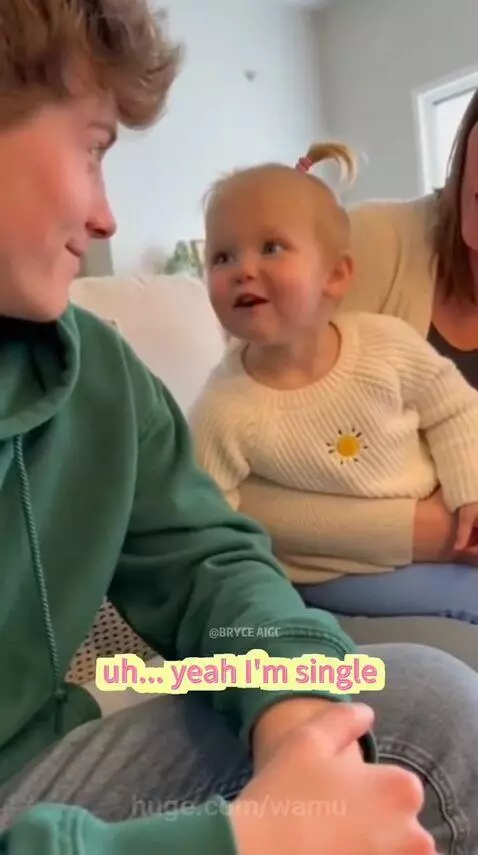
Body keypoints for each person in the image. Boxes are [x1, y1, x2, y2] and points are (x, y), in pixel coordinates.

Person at [0, 2, 476, 854]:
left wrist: (298, 717)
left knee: (433, 702)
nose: (110, 219)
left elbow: (210, 556)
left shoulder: (100, 373)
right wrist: (238, 839)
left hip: (46, 767)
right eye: (95, 148)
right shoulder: (227, 402)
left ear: (338, 278)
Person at [228, 93, 478, 633]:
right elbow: (220, 502)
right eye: (224, 258)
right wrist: (430, 530)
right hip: (319, 570)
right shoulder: (367, 250)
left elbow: (454, 411)